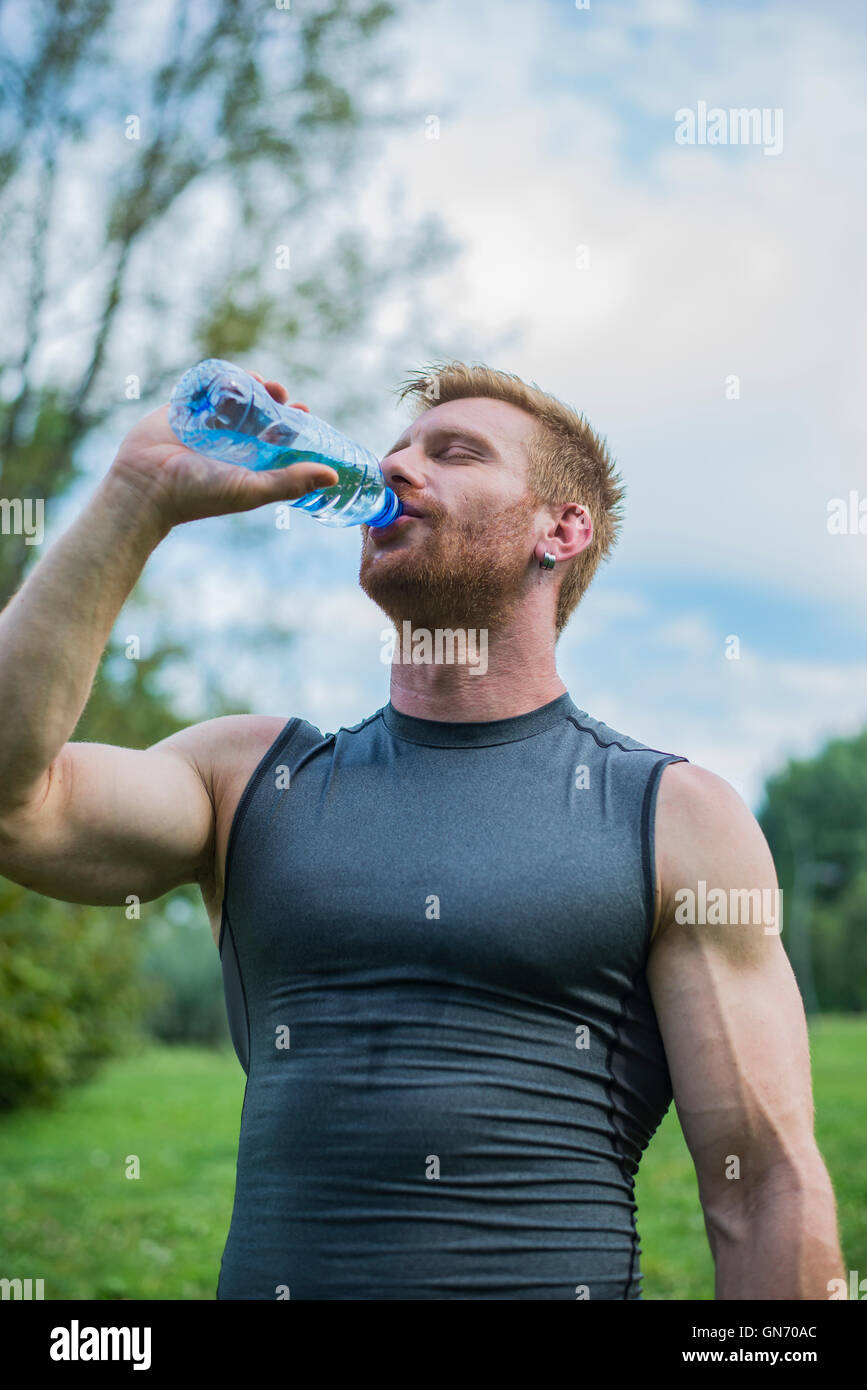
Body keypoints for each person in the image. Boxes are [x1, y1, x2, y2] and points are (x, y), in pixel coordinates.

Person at [0, 361, 844, 1300]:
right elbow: (14, 799)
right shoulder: (246, 776)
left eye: (454, 453)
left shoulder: (673, 814)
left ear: (560, 530)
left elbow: (763, 1186)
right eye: (396, 449)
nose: (398, 468)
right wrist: (135, 495)